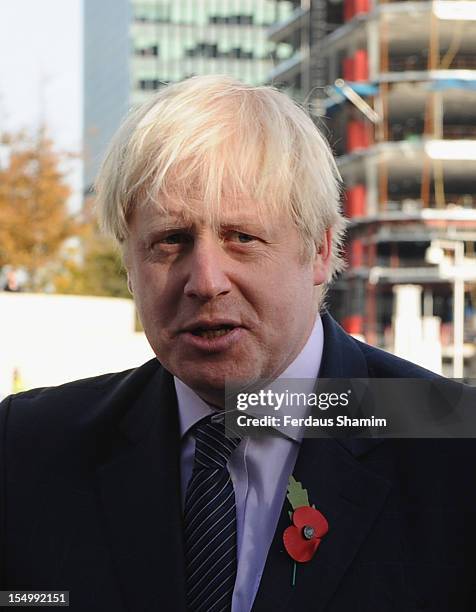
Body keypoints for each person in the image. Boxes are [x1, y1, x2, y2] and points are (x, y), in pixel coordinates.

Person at [1, 75, 475, 612]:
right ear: (128, 265)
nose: (206, 280)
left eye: (242, 238)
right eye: (170, 241)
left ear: (320, 250)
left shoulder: (453, 449)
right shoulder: (30, 450)